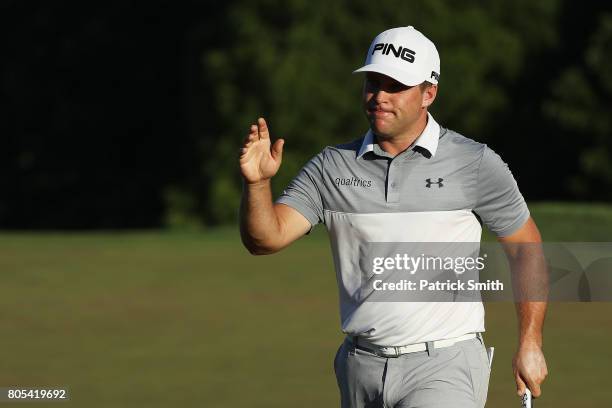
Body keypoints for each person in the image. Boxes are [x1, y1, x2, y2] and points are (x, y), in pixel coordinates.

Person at [239, 26, 547, 408]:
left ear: (428, 93)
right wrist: (257, 185)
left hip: (444, 364)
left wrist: (530, 343)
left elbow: (526, 248)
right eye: (373, 83)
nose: (379, 97)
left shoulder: (474, 163)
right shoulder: (331, 166)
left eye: (395, 86)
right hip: (359, 367)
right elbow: (265, 239)